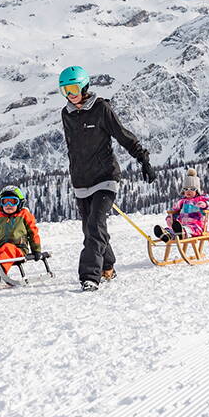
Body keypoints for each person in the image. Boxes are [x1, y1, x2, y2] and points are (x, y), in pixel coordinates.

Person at [59, 65, 155, 291]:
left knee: (95, 226)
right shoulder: (67, 113)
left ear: (84, 86)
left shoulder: (101, 109)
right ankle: (107, 266)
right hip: (81, 182)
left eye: (73, 88)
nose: (70, 95)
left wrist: (143, 159)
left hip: (105, 178)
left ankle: (90, 276)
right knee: (91, 229)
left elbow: (123, 135)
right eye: (65, 90)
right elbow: (73, 149)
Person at [154, 168, 209, 241]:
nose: (188, 191)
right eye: (186, 189)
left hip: (196, 226)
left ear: (197, 190)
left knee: (187, 229)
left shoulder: (201, 199)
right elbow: (175, 211)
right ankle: (166, 234)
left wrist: (205, 204)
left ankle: (181, 233)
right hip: (181, 225)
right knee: (173, 229)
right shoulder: (182, 202)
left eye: (192, 189)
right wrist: (170, 218)